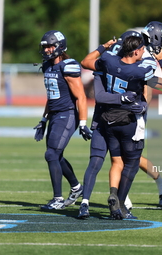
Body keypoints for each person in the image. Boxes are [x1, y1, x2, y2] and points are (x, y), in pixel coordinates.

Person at [78, 30, 162, 219]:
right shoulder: (140, 70)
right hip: (129, 119)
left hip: (107, 120)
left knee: (115, 161)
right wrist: (161, 61)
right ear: (135, 51)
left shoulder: (108, 61)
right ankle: (120, 203)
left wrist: (104, 47)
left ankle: (105, 198)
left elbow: (87, 62)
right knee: (132, 163)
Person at [34, 30, 92, 210]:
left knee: (51, 154)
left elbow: (81, 96)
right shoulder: (47, 66)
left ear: (59, 46)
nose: (47, 50)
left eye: (50, 46)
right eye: (45, 47)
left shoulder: (68, 66)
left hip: (67, 114)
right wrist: (43, 120)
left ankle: (58, 199)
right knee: (55, 155)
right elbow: (51, 97)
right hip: (55, 115)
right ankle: (76, 187)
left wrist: (83, 123)